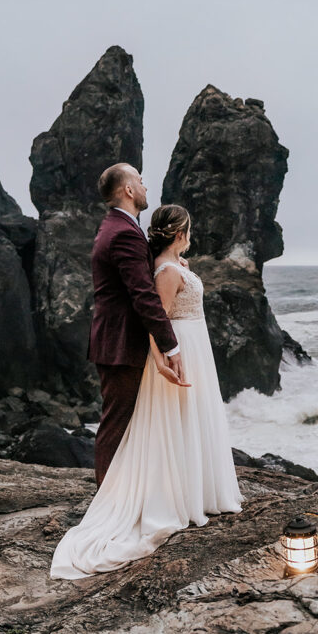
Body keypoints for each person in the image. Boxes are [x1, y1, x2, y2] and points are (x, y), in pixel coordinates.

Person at [50, 203, 243, 580]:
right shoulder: (167, 272)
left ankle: (199, 489)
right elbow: (153, 317)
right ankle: (167, 496)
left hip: (192, 344)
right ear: (180, 233)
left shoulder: (175, 267)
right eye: (189, 230)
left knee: (192, 418)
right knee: (175, 420)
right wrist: (161, 360)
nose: (191, 235)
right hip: (179, 347)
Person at [87, 162, 188, 487]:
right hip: (121, 343)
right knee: (118, 425)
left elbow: (142, 272)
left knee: (123, 422)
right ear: (129, 190)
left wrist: (172, 259)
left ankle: (120, 493)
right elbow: (143, 295)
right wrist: (170, 345)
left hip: (115, 340)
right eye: (141, 182)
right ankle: (108, 503)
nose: (145, 187)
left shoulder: (117, 228)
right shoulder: (124, 233)